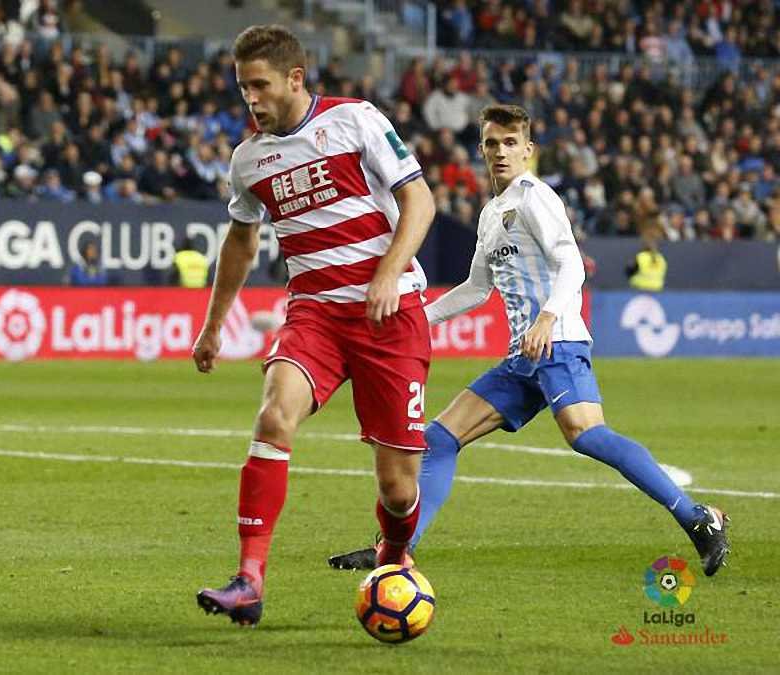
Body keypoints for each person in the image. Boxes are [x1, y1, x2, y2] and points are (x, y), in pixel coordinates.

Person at [326, 105, 729, 577]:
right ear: (481, 150)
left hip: (556, 342)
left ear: (528, 150)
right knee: (438, 439)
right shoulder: (491, 214)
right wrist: (416, 318)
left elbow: (571, 263)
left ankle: (698, 517)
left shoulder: (536, 198)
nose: (501, 152)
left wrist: (547, 318)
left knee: (586, 434)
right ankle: (397, 549)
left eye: (510, 143)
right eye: (492, 143)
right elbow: (477, 288)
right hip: (522, 358)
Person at [192, 24, 436, 626]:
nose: (251, 99)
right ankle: (249, 580)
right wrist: (213, 325)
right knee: (274, 416)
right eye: (243, 87)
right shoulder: (249, 160)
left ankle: (394, 555)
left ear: (295, 78)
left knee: (398, 489)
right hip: (315, 315)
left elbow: (421, 201)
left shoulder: (355, 120)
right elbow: (241, 242)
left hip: (390, 317)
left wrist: (388, 272)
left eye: (260, 85)